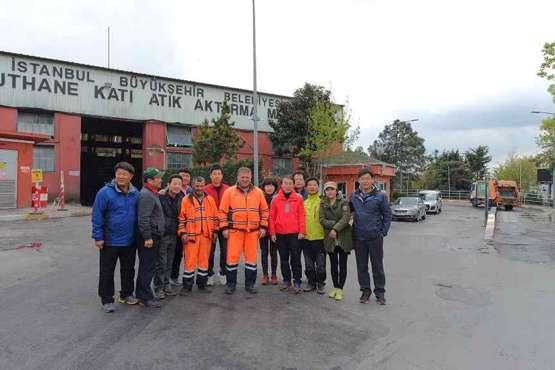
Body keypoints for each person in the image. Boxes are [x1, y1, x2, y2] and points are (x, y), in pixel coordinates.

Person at [92, 162, 140, 313]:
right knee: (107, 271)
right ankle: (107, 299)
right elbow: (97, 215)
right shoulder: (105, 193)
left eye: (125, 174)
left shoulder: (135, 193)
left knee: (128, 269)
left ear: (131, 176)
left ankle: (126, 294)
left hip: (129, 241)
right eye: (119, 173)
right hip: (110, 240)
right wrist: (98, 237)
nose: (121, 176)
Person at [218, 167, 269, 295]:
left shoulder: (258, 192)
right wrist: (224, 228)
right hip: (235, 232)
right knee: (231, 259)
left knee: (251, 260)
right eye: (242, 177)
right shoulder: (229, 192)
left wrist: (263, 227)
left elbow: (264, 211)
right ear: (238, 177)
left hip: (252, 232)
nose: (245, 179)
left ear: (251, 177)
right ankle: (231, 285)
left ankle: (250, 285)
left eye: (247, 177)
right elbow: (222, 212)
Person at [350, 168, 392, 305]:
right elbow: (346, 212)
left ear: (373, 180)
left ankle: (380, 293)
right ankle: (365, 292)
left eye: (367, 178)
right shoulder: (354, 196)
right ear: (359, 181)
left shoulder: (380, 196)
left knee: (377, 266)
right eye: (362, 179)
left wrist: (383, 231)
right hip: (359, 237)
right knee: (361, 267)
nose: (365, 181)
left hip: (375, 237)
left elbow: (387, 214)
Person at [177, 176, 218, 295]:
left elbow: (215, 217)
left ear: (204, 185)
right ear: (193, 185)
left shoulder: (210, 199)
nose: (199, 188)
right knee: (190, 262)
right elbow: (181, 218)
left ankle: (202, 285)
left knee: (204, 262)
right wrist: (183, 233)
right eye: (197, 186)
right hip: (191, 236)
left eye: (201, 185)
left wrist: (215, 231)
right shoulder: (186, 200)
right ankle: (187, 287)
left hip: (206, 236)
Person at [269, 176, 306, 294]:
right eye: (286, 183)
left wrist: (302, 231)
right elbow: (272, 217)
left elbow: (301, 215)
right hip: (280, 234)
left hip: (295, 234)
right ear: (282, 185)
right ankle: (286, 280)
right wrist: (272, 232)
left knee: (295, 259)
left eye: (290, 183)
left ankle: (297, 281)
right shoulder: (275, 199)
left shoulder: (299, 198)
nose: (288, 185)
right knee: (284, 259)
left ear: (293, 185)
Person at [136, 167, 165, 309]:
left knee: (149, 266)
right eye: (158, 178)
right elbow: (143, 218)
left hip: (154, 235)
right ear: (149, 180)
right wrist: (147, 237)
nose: (161, 180)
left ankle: (143, 294)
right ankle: (144, 297)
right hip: (149, 237)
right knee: (147, 267)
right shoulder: (146, 195)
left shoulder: (153, 193)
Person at [319, 181, 352, 301]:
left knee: (343, 265)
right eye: (327, 189)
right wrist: (333, 225)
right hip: (330, 238)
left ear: (336, 190)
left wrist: (335, 228)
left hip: (343, 237)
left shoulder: (343, 202)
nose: (330, 191)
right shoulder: (323, 203)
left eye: (332, 189)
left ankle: (340, 289)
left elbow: (346, 218)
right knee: (333, 265)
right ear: (325, 191)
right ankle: (335, 287)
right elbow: (322, 220)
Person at [153, 175, 184, 300]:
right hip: (162, 234)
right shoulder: (160, 197)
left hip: (174, 234)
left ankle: (166, 285)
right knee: (161, 262)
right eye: (174, 183)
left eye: (179, 184)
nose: (177, 186)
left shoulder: (182, 197)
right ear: (169, 184)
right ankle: (158, 288)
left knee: (169, 261)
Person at [204, 164, 230, 286]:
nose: (217, 176)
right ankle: (209, 274)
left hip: (225, 225)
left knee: (225, 251)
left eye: (219, 174)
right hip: (210, 226)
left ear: (222, 175)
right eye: (214, 174)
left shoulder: (229, 189)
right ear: (210, 175)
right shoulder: (205, 190)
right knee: (209, 252)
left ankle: (223, 272)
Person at [169, 167, 193, 286]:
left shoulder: (191, 191)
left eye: (187, 176)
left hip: (188, 228)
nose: (184, 178)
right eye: (182, 175)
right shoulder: (171, 191)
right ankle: (170, 277)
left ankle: (178, 276)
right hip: (174, 228)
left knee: (183, 254)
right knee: (172, 254)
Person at [302, 177, 326, 294]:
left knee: (321, 265)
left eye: (314, 185)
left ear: (318, 187)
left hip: (320, 239)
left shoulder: (323, 202)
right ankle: (311, 282)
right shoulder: (303, 203)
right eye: (309, 185)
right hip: (306, 239)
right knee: (309, 265)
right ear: (306, 188)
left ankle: (321, 283)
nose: (312, 187)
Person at [260, 177, 279, 285]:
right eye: (267, 185)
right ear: (264, 187)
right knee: (264, 252)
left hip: (274, 230)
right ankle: (265, 275)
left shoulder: (277, 198)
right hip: (262, 229)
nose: (269, 188)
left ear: (275, 187)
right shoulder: (260, 198)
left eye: (272, 185)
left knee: (273, 253)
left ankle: (274, 275)